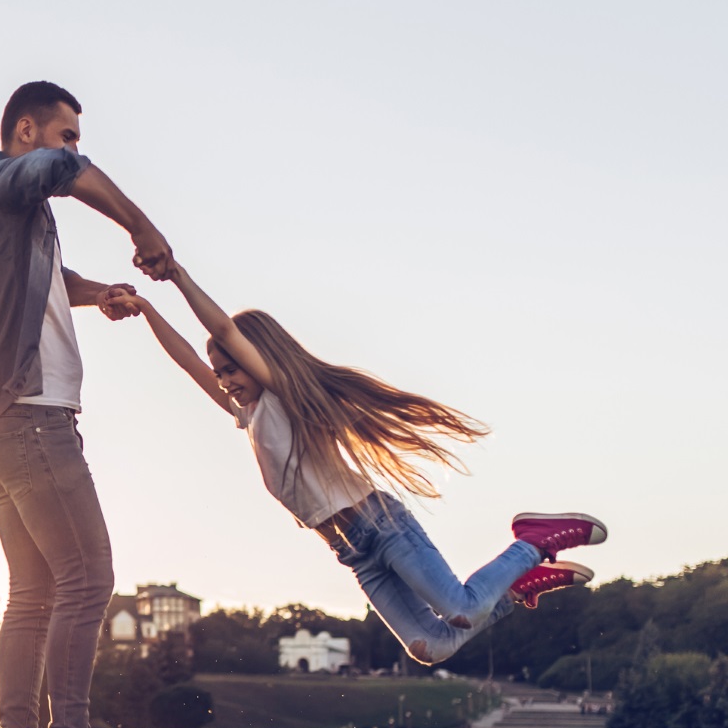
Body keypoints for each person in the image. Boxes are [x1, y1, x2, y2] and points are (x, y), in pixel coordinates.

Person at [115, 263, 607, 667]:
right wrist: (147, 310)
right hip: (353, 553)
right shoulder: (248, 414)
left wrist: (175, 275)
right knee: (429, 647)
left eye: (232, 367)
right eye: (220, 372)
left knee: (458, 608)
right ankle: (514, 590)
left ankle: (530, 542)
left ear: (258, 357)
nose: (224, 380)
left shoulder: (282, 395)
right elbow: (188, 362)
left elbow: (222, 328)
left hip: (381, 527)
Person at [0, 81, 174, 728]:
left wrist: (97, 292)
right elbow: (60, 173)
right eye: (67, 134)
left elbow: (46, 280)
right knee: (89, 577)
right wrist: (142, 227)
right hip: (31, 416)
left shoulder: (16, 214)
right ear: (26, 130)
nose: (75, 149)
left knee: (33, 591)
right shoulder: (0, 183)